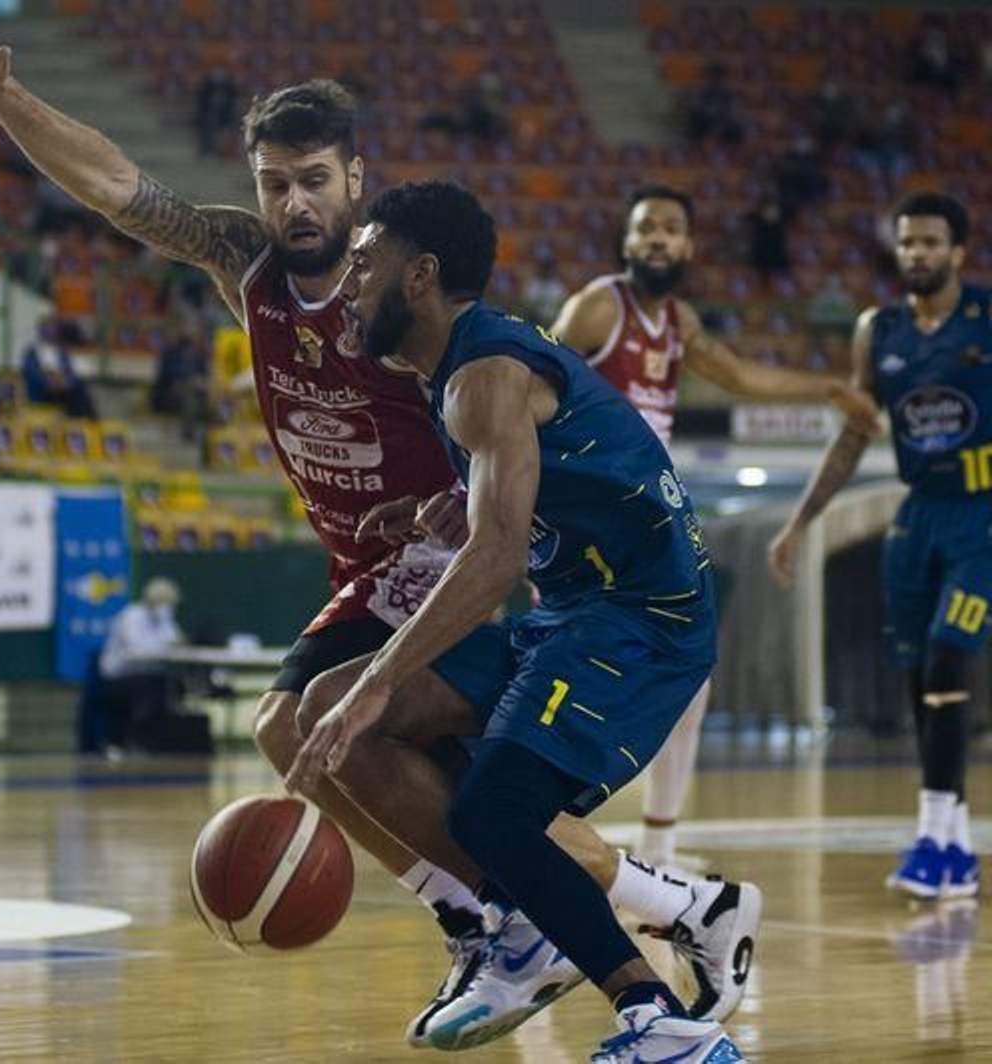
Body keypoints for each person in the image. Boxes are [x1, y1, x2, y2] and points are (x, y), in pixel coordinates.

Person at [0, 10, 758, 1045]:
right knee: (306, 734)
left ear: (356, 179)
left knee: (384, 750)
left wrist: (458, 523)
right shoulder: (249, 267)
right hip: (372, 559)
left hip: (457, 570)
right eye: (275, 181)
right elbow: (114, 185)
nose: (294, 201)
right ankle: (574, 909)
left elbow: (506, 441)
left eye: (315, 178)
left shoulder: (405, 301)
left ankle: (568, 918)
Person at [286, 180, 744, 1061]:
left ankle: (659, 1022)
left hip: (642, 622)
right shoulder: (456, 372)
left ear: (419, 276)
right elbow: (529, 493)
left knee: (486, 802)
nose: (347, 282)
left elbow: (497, 558)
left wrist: (379, 682)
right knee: (323, 705)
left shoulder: (481, 376)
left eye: (365, 262)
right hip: (577, 610)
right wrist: (454, 501)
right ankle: (535, 923)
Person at [551, 184, 878, 868]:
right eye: (646, 229)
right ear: (627, 242)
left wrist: (826, 388)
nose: (657, 240)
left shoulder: (677, 320)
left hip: (654, 513)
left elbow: (738, 375)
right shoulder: (599, 305)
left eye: (670, 229)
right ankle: (545, 821)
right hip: (593, 516)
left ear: (690, 246)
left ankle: (662, 842)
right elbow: (536, 376)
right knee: (578, 669)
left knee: (693, 671)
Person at [768, 191, 984, 901]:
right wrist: (800, 523)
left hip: (981, 513)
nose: (916, 254)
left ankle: (930, 836)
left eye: (930, 242)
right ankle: (952, 845)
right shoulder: (878, 330)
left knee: (952, 657)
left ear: (958, 252)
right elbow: (855, 432)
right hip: (917, 512)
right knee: (920, 676)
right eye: (907, 243)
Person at [96, 578, 185, 749]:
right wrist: (165, 646)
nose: (167, 608)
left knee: (172, 684)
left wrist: (170, 633)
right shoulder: (131, 616)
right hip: (119, 676)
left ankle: (160, 740)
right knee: (155, 687)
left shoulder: (164, 619)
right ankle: (134, 738)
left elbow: (174, 641)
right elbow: (137, 650)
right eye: (163, 603)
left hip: (149, 674)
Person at [21, 315, 96, 418]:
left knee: (80, 389)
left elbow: (71, 373)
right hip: (44, 390)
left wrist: (66, 381)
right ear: (41, 331)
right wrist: (48, 381)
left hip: (62, 388)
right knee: (67, 394)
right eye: (48, 329)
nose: (51, 332)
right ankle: (81, 421)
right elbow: (31, 373)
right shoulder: (32, 352)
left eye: (53, 329)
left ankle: (86, 423)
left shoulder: (61, 352)